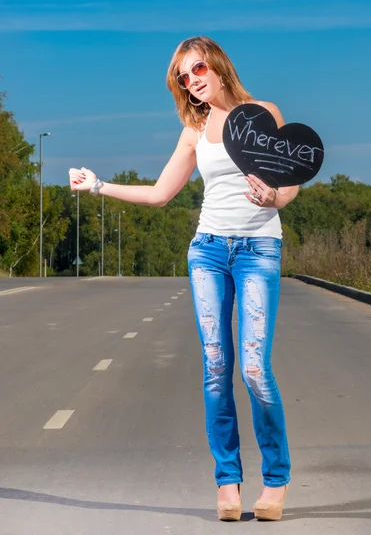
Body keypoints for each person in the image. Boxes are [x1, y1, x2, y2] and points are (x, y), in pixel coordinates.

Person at [69, 36, 299, 521]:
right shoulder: (194, 129)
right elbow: (159, 194)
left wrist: (273, 199)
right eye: (182, 76)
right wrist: (98, 186)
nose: (191, 80)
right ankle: (228, 481)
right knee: (216, 368)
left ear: (216, 65)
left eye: (196, 69)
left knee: (255, 368)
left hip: (259, 249)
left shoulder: (263, 113)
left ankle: (275, 480)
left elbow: (291, 179)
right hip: (209, 252)